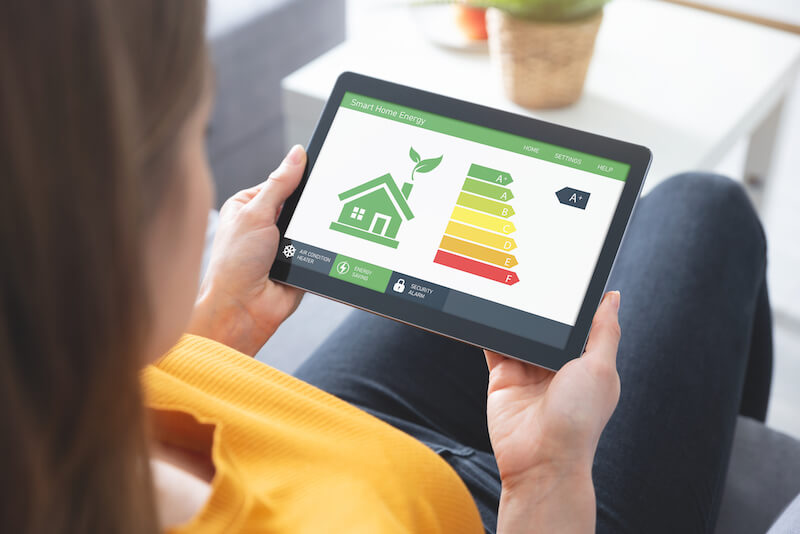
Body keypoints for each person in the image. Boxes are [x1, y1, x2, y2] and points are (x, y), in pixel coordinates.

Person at [0, 1, 781, 533]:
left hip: (295, 430)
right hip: (496, 506)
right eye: (198, 138)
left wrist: (216, 329)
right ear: (112, 231)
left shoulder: (53, 408)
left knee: (511, 272)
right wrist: (547, 480)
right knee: (707, 208)